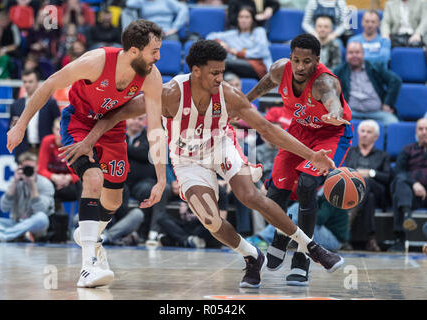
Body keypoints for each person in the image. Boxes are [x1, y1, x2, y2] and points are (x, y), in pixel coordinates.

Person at [59, 39, 345, 289]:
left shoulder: (229, 95)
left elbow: (268, 129)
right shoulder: (170, 93)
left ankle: (312, 248)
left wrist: (311, 155)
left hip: (221, 145)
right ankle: (251, 255)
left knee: (250, 195)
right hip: (186, 158)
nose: (221, 78)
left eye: (222, 71)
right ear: (196, 71)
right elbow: (115, 116)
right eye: (215, 72)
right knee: (210, 220)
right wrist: (89, 140)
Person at [6, 20, 167, 288]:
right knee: (93, 180)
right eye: (154, 51)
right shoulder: (96, 62)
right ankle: (88, 265)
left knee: (113, 202)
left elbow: (155, 131)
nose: (159, 57)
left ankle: (88, 234)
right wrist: (21, 125)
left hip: (114, 131)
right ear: (134, 51)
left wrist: (161, 178)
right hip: (79, 123)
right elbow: (48, 84)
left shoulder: (152, 76)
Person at [246, 33, 352, 286]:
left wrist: (334, 115)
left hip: (331, 135)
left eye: (307, 61)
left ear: (317, 60)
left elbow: (333, 103)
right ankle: (282, 234)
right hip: (300, 131)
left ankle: (303, 259)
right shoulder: (279, 70)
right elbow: (263, 85)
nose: (301, 67)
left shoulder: (324, 82)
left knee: (306, 186)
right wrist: (244, 102)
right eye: (296, 60)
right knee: (274, 195)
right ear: (290, 57)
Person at [0, 152, 54, 243]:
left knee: (42, 218)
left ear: (37, 167)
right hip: (16, 223)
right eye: (25, 168)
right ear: (19, 167)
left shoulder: (45, 184)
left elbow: (40, 210)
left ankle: (1, 236)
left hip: (35, 226)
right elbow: (4, 208)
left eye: (31, 168)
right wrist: (14, 183)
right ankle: (19, 235)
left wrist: (32, 185)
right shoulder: (15, 182)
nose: (28, 171)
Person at [343, 119, 392, 252]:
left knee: (367, 182)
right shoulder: (350, 152)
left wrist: (371, 173)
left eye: (368, 132)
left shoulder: (383, 155)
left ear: (376, 137)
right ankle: (371, 239)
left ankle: (348, 221)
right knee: (368, 197)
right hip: (352, 191)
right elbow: (342, 172)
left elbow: (387, 178)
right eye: (362, 131)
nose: (364, 134)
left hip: (379, 192)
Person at [123, 114, 172, 245]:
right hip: (123, 182)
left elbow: (145, 153)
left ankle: (148, 233)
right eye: (133, 118)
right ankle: (126, 232)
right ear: (126, 119)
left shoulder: (150, 136)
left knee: (149, 190)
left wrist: (126, 148)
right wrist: (135, 150)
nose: (136, 122)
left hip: (143, 182)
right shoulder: (119, 135)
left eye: (140, 119)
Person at [333, 42, 401, 126]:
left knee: (393, 123)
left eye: (357, 52)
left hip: (376, 112)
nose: (354, 55)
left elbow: (395, 81)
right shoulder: (339, 71)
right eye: (351, 53)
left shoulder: (374, 67)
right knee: (332, 124)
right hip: (351, 113)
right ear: (346, 55)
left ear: (363, 54)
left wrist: (387, 103)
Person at [389, 118, 427, 252]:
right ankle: (405, 219)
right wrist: (415, 184)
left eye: (426, 129)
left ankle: (407, 215)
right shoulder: (408, 149)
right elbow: (398, 171)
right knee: (399, 183)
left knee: (399, 193)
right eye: (421, 129)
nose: (424, 132)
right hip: (411, 195)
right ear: (416, 132)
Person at [207, 6, 273, 79]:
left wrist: (238, 53)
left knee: (224, 63)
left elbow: (261, 51)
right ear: (237, 19)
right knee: (228, 76)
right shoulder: (232, 34)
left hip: (258, 67)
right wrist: (220, 43)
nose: (243, 20)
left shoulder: (259, 31)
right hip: (237, 66)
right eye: (241, 17)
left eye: (247, 17)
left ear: (252, 19)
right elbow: (210, 36)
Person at [8, 69, 60, 161]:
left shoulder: (50, 103)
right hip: (24, 148)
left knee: (44, 173)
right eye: (25, 82)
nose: (27, 85)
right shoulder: (16, 105)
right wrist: (13, 126)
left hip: (45, 147)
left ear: (37, 83)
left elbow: (58, 124)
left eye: (30, 81)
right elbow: (10, 128)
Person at [37, 117, 82, 214]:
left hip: (70, 185)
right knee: (39, 183)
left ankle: (84, 218)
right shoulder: (47, 141)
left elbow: (82, 172)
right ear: (53, 130)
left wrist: (69, 178)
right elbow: (40, 169)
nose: (60, 133)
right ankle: (45, 223)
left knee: (83, 183)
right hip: (52, 184)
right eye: (58, 129)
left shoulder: (75, 144)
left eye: (63, 129)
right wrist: (54, 177)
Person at [124, 0, 188, 41]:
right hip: (148, 33)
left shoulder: (167, 1)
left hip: (167, 32)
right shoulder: (142, 2)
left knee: (173, 43)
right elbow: (129, 3)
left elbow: (183, 9)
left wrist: (175, 28)